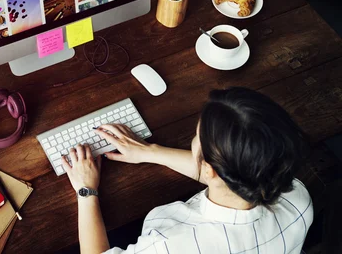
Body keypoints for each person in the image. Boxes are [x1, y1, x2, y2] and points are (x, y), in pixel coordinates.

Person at [62, 87, 313, 254]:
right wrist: (149, 151)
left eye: (197, 136)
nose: (194, 140)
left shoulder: (174, 245)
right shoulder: (297, 198)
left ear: (211, 170)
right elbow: (232, 175)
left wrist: (86, 190)